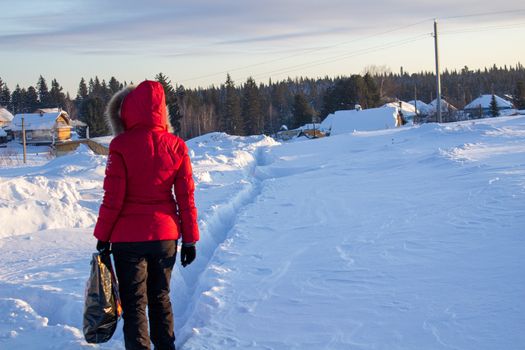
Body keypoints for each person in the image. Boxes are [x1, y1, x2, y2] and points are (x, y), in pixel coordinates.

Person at [93, 80, 199, 350]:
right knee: (160, 297)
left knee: (133, 304)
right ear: (162, 111)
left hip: (127, 240)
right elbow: (186, 198)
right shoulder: (176, 146)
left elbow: (113, 198)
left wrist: (103, 237)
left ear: (127, 111)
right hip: (165, 237)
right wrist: (189, 240)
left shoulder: (121, 145)